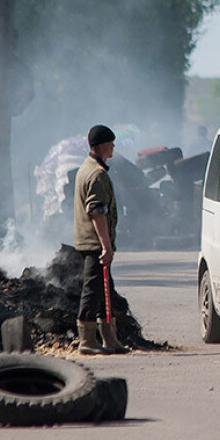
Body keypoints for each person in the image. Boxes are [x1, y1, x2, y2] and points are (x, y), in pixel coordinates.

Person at [74, 124, 129, 355]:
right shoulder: (96, 174)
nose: (113, 146)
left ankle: (109, 338)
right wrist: (106, 246)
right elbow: (97, 212)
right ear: (102, 145)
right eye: (111, 142)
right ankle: (87, 341)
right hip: (95, 243)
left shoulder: (87, 168)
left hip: (93, 242)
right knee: (92, 290)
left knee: (105, 288)